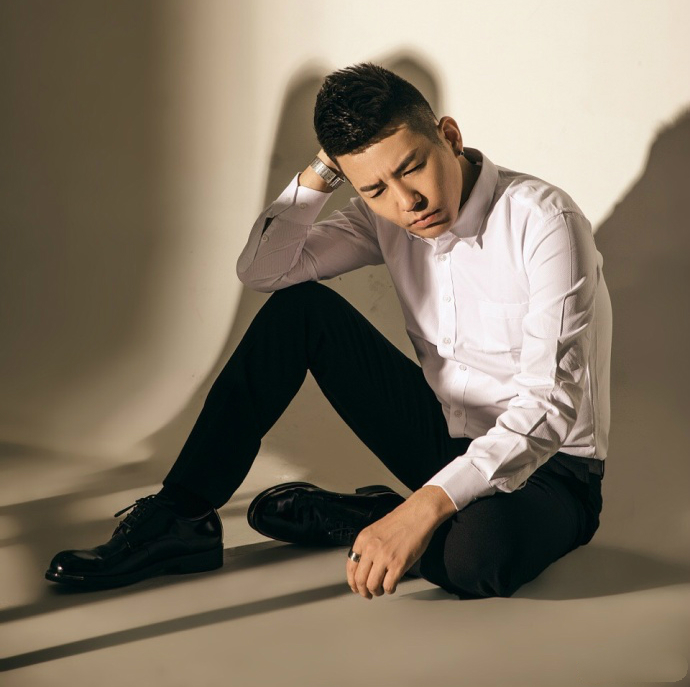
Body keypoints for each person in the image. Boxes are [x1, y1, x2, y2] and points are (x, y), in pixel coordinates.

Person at [46, 62, 611, 600]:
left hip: (551, 468)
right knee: (300, 311)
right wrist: (325, 170)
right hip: (443, 439)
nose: (407, 202)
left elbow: (549, 405)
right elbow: (264, 271)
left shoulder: (544, 221)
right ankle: (182, 515)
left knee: (477, 560)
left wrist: (422, 507)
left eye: (412, 167)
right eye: (375, 189)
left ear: (450, 135)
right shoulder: (384, 217)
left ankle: (379, 515)